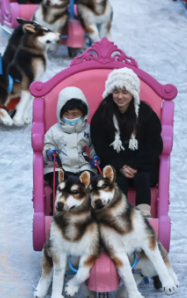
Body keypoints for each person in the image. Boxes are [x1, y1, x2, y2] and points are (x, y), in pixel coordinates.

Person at [90, 68, 163, 217]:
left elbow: (155, 145)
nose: (120, 96)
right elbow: (101, 146)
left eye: (125, 92)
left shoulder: (145, 114)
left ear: (133, 93)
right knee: (118, 179)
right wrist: (120, 165)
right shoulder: (102, 115)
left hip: (143, 165)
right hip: (115, 164)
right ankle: (120, 214)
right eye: (116, 91)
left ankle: (144, 214)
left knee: (143, 178)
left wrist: (135, 165)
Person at [43, 87, 97, 187]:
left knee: (87, 185)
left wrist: (94, 157)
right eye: (66, 114)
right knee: (60, 186)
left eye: (75, 114)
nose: (70, 118)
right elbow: (47, 145)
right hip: (61, 168)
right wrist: (49, 152)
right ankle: (57, 202)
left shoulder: (89, 130)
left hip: (84, 167)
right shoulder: (54, 131)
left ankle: (86, 202)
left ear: (83, 113)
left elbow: (93, 147)